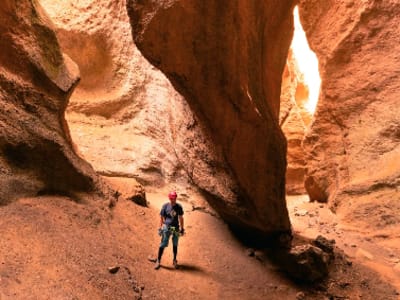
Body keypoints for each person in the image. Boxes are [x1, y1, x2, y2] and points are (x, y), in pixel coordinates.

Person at [154, 191, 185, 270]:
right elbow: (161, 217)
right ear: (169, 198)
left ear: (176, 198)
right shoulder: (165, 206)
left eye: (173, 198)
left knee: (175, 244)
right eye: (171, 198)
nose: (172, 200)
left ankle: (174, 260)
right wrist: (160, 228)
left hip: (175, 228)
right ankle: (158, 260)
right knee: (163, 243)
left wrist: (182, 228)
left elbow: (181, 218)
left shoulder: (179, 207)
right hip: (167, 227)